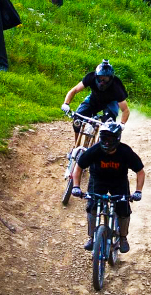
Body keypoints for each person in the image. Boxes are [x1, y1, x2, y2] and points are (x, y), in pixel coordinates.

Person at [71, 120, 145, 253]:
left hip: (119, 181)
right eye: (104, 138)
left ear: (117, 139)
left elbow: (140, 171)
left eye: (110, 139)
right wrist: (76, 186)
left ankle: (123, 238)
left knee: (123, 209)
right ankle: (92, 237)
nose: (106, 142)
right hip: (98, 180)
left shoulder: (125, 151)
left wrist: (138, 191)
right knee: (92, 207)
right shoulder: (95, 150)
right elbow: (79, 166)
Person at [61, 59, 130, 143]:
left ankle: (104, 147)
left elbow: (125, 109)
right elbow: (74, 90)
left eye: (105, 79)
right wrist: (66, 104)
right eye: (100, 78)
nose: (102, 82)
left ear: (111, 78)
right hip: (93, 99)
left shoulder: (117, 86)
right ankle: (76, 144)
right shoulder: (90, 77)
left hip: (110, 103)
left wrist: (122, 124)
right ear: (96, 76)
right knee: (77, 119)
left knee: (109, 128)